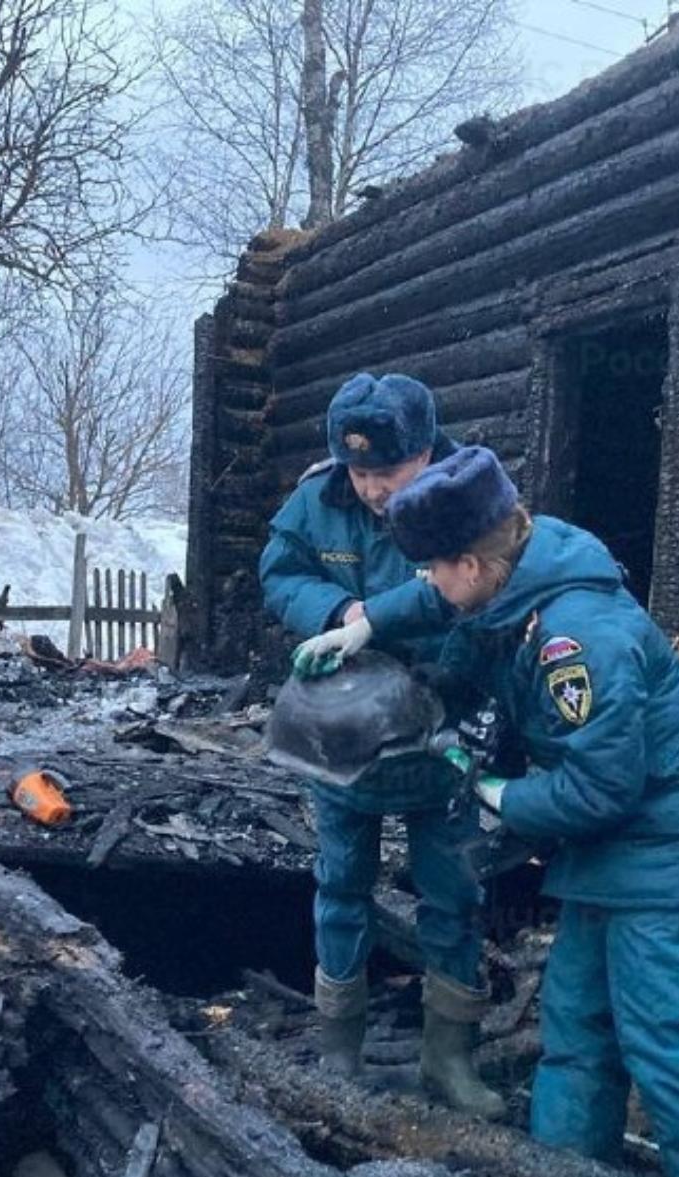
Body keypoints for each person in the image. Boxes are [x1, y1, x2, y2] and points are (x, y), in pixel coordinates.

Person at [381, 444, 679, 1177]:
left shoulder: (578, 637)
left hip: (657, 844)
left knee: (672, 1055)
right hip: (603, 847)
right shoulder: (512, 581)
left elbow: (604, 788)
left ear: (471, 560)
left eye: (433, 569)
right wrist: (360, 634)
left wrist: (498, 792)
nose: (429, 584)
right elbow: (445, 632)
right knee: (574, 1034)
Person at [257, 372, 504, 1119]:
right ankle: (339, 1048)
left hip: (443, 728)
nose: (370, 489)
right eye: (359, 472)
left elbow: (488, 600)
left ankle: (449, 1060)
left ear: (427, 451)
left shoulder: (472, 496)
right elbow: (280, 571)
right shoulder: (320, 497)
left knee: (453, 892)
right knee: (340, 885)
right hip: (341, 734)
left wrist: (421, 659)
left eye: (388, 472)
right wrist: (337, 608)